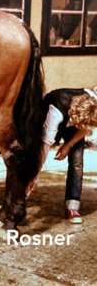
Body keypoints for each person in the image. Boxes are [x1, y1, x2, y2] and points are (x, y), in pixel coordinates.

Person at [39, 87, 97, 224]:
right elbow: (46, 144)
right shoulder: (56, 112)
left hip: (78, 116)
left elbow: (85, 127)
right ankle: (22, 192)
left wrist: (68, 145)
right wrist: (36, 176)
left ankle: (72, 206)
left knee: (77, 161)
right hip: (53, 112)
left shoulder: (93, 106)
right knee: (36, 154)